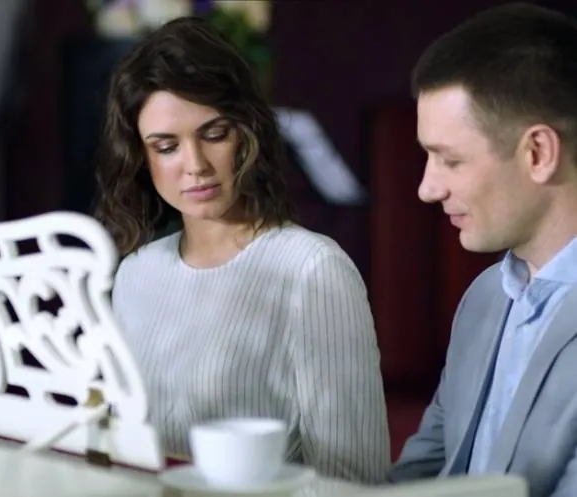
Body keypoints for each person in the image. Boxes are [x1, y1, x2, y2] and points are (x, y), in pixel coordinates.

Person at [94, 16, 390, 482]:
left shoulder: (312, 270)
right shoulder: (136, 271)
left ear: (247, 133)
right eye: (166, 146)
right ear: (141, 157)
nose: (195, 165)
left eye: (214, 134)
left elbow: (351, 480)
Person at [388, 3, 577, 496]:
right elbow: (420, 471)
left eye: (450, 160)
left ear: (538, 153)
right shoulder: (485, 296)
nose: (427, 188)